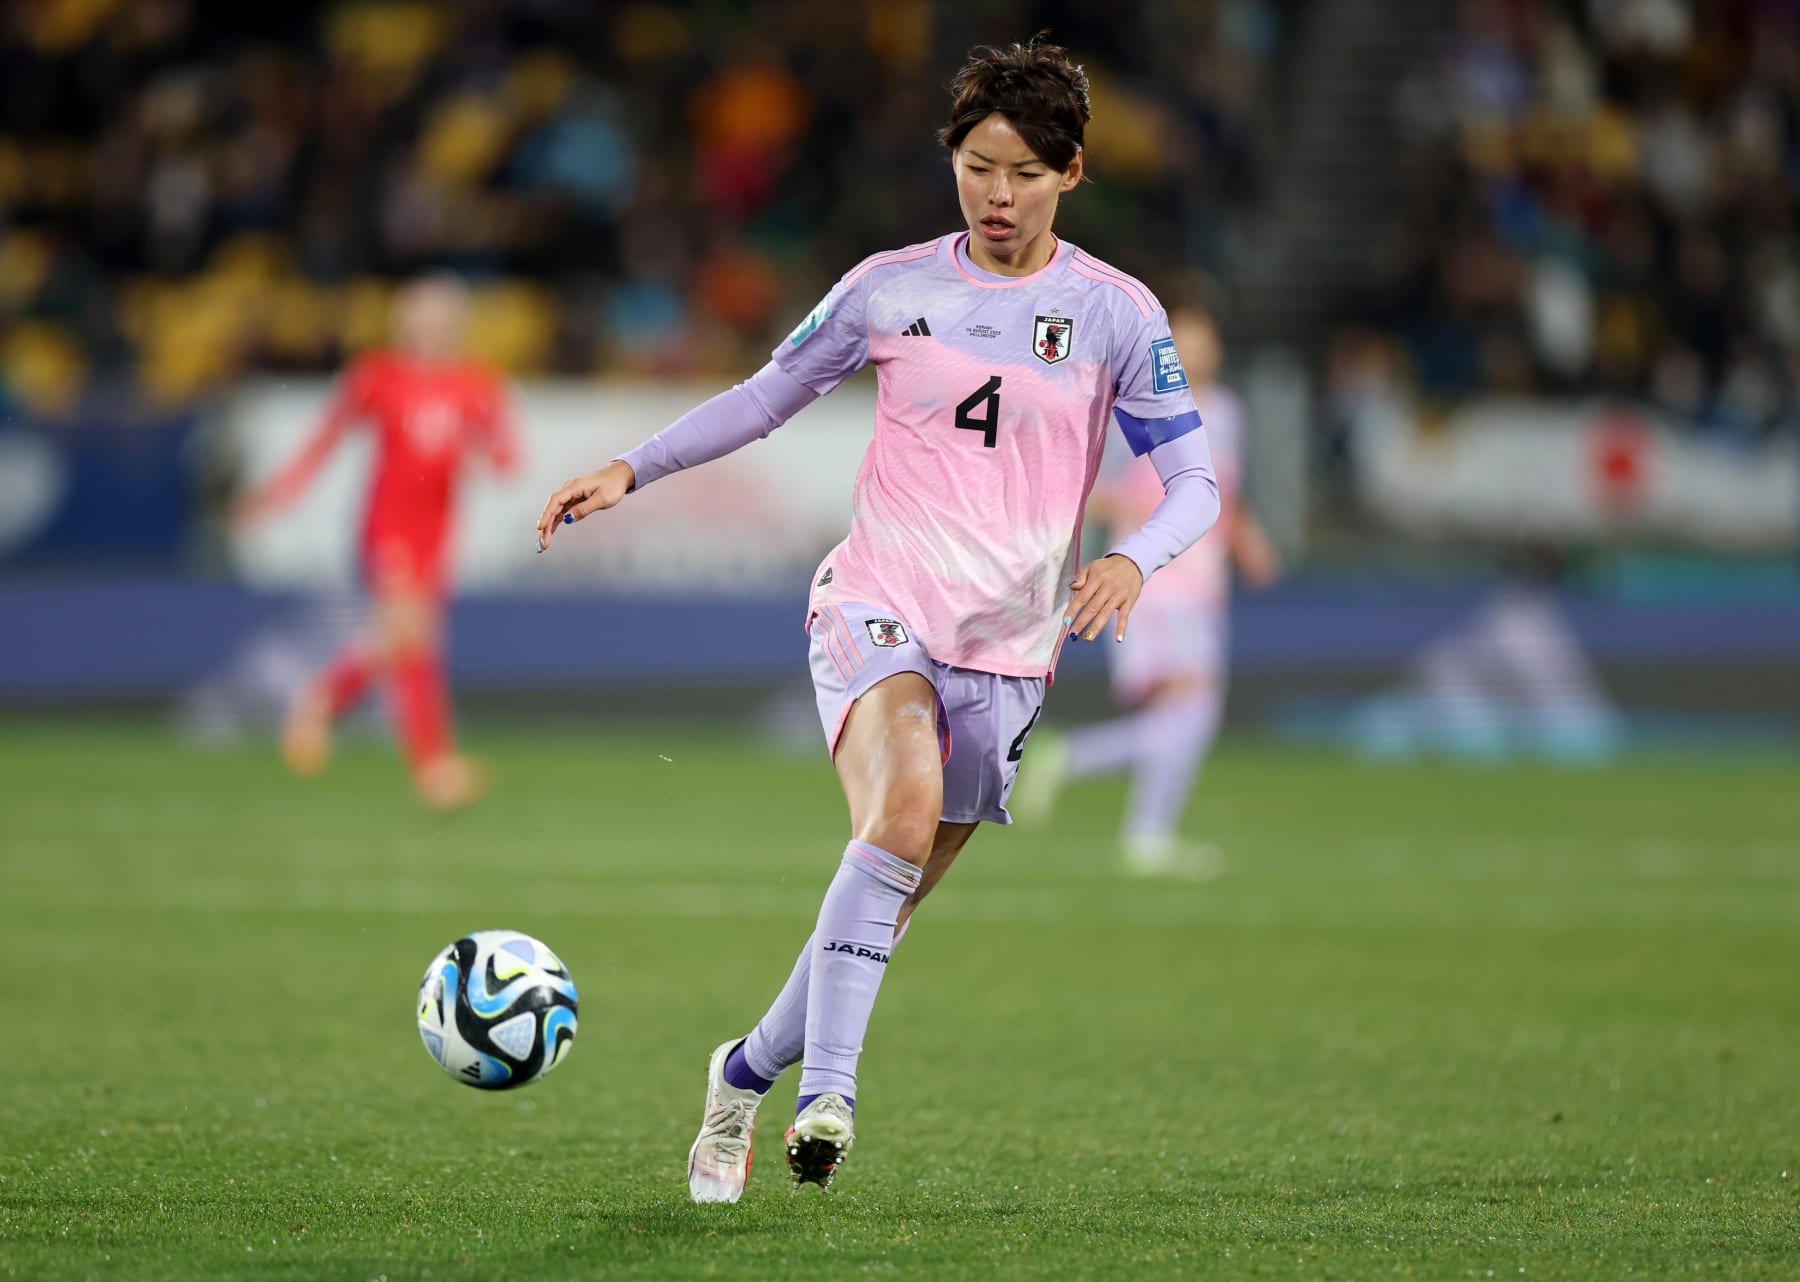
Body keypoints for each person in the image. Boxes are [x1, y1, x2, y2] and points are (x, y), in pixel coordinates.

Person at [535, 39, 1220, 1201]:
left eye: (1025, 173)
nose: (997, 195)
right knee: (900, 804)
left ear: (1071, 173)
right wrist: (630, 467)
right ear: (950, 158)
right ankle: (829, 1099)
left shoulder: (1115, 313)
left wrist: (1130, 557)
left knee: (878, 905)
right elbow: (767, 396)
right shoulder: (888, 288)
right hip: (876, 602)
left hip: (1009, 649)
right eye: (977, 166)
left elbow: (1193, 483)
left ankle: (741, 1074)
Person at [1014, 303, 1281, 877]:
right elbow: (1089, 489)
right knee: (1192, 710)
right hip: (1151, 582)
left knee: (1187, 716)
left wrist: (1246, 539)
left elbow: (1221, 491)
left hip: (1204, 586)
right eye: (1183, 341)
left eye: (1204, 340)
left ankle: (1102, 791)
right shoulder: (1135, 410)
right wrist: (1150, 511)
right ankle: (1139, 828)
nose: (1195, 352)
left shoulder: (1227, 413)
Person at [234, 274, 518, 811]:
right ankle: (432, 768)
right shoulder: (378, 375)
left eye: (441, 319)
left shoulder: (476, 383)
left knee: (414, 640)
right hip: (390, 524)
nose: (431, 329)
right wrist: (278, 494)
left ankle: (325, 698)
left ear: (457, 325)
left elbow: (507, 457)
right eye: (421, 318)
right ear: (403, 322)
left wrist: (480, 456)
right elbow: (325, 438)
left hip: (438, 529)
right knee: (411, 629)